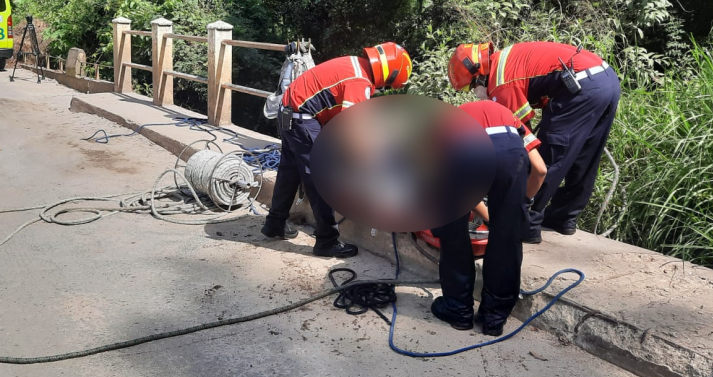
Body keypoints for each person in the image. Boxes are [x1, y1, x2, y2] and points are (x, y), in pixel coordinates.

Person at [448, 41, 621, 244]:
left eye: (472, 86)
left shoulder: (501, 83)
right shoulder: (505, 61)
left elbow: (519, 143)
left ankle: (526, 224)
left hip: (582, 87)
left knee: (550, 153)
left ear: (479, 73)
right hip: (605, 80)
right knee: (584, 156)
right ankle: (563, 218)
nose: (475, 93)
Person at [262, 42, 412, 257]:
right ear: (387, 75)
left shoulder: (355, 64)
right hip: (301, 118)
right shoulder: (359, 81)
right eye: (387, 85)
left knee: (290, 172)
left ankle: (274, 224)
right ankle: (326, 241)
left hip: (288, 113)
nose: (382, 89)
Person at [430, 99, 547, 335]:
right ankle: (494, 318)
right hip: (509, 151)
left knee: (452, 234)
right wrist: (516, 206)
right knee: (508, 238)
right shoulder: (511, 119)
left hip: (463, 150)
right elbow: (541, 169)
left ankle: (458, 311)